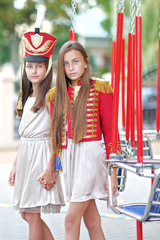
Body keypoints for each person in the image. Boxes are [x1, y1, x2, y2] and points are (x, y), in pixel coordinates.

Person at [38, 41, 120, 240]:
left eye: (75, 62)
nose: (71, 68)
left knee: (70, 220)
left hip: (91, 157)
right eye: (66, 64)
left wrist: (114, 173)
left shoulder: (101, 89)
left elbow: (111, 133)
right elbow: (57, 139)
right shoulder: (54, 96)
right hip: (70, 159)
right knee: (91, 221)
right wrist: (54, 169)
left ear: (86, 62)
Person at [8, 30, 65, 240]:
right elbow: (25, 137)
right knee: (26, 213)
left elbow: (58, 135)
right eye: (30, 66)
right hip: (26, 155)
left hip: (41, 156)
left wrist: (53, 168)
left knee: (32, 214)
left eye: (39, 66)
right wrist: (15, 165)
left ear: (47, 67)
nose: (33, 70)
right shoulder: (27, 95)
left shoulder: (52, 96)